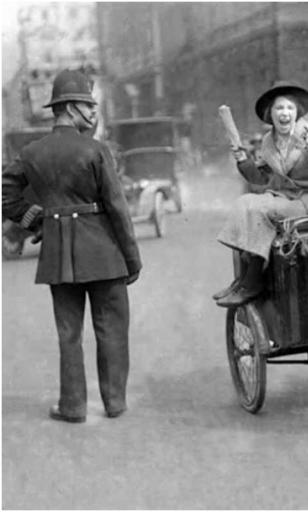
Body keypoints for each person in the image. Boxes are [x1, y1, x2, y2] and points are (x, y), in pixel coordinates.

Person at [1, 69, 142, 423]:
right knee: (111, 327)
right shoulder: (96, 149)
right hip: (104, 251)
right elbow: (117, 207)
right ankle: (114, 402)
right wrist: (132, 258)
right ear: (70, 107)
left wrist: (35, 218)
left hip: (58, 254)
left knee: (69, 334)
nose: (92, 112)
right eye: (87, 105)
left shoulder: (32, 152)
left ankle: (73, 406)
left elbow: (5, 193)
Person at [213, 81, 308, 307]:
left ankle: (252, 283)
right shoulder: (268, 141)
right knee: (245, 202)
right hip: (287, 198)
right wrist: (243, 160)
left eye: (289, 108)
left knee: (261, 210)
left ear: (297, 113)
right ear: (270, 114)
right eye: (279, 109)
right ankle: (243, 281)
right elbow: (260, 179)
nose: (285, 113)